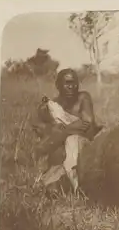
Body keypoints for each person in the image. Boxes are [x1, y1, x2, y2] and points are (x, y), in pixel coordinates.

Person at [31, 68, 102, 197]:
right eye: (67, 83)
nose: (71, 87)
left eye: (74, 83)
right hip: (61, 151)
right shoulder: (54, 105)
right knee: (52, 182)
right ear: (58, 85)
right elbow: (41, 128)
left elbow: (87, 123)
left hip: (83, 146)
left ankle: (77, 188)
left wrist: (60, 133)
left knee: (72, 141)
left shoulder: (83, 97)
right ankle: (58, 184)